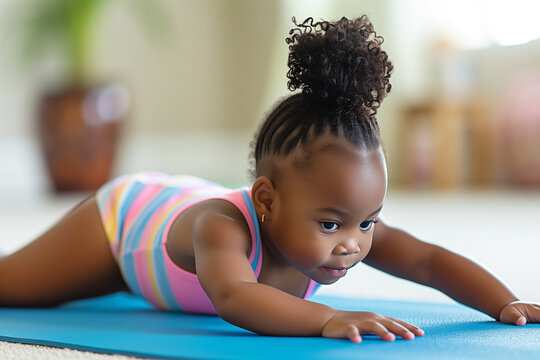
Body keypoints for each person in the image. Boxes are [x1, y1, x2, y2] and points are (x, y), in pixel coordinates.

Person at [0, 16, 538, 344]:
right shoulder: (220, 228)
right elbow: (234, 294)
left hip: (168, 221)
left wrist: (502, 303)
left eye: (367, 221)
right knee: (13, 289)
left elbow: (426, 259)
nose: (352, 244)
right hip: (119, 230)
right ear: (266, 200)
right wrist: (326, 317)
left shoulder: (343, 230)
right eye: (331, 223)